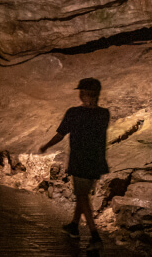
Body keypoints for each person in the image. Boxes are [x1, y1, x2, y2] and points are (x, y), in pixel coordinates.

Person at [39, 78, 111, 250]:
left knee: (82, 196)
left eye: (82, 92)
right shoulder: (104, 114)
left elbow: (61, 134)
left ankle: (95, 237)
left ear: (84, 94)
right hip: (96, 160)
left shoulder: (74, 113)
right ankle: (73, 226)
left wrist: (46, 145)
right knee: (83, 194)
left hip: (80, 160)